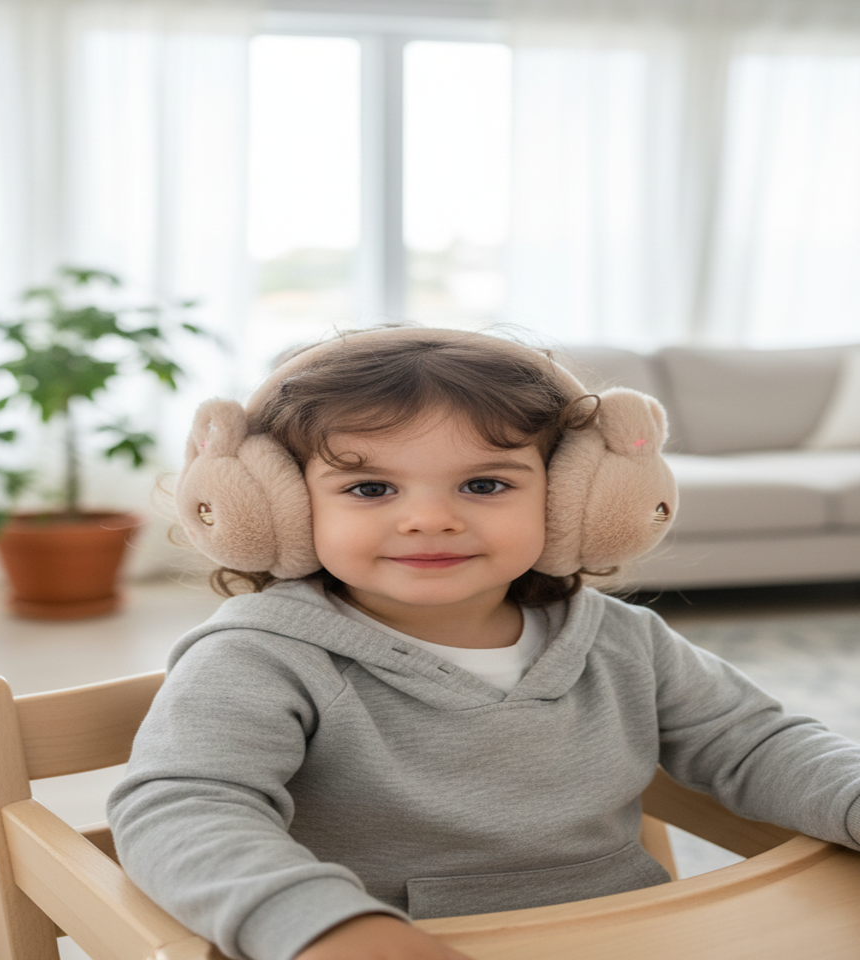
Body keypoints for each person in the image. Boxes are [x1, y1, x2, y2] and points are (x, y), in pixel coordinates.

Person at [107, 326, 860, 960]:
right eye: (370, 489)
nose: (429, 519)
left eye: (486, 485)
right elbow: (185, 805)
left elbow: (756, 743)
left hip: (625, 935)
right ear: (285, 509)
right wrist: (322, 925)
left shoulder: (623, 641)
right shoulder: (260, 657)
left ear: (573, 501)